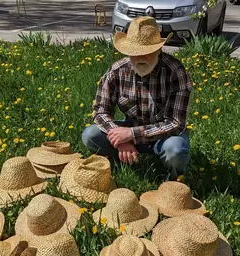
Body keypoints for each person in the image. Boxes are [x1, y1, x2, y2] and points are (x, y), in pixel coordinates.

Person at [81, 16, 194, 181]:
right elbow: (100, 111)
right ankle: (118, 159)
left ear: (159, 49)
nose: (140, 58)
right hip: (129, 128)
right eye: (134, 52)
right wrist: (120, 140)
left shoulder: (176, 72)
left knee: (176, 150)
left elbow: (176, 123)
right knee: (90, 135)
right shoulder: (116, 71)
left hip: (165, 136)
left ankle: (174, 179)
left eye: (147, 52)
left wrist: (130, 134)